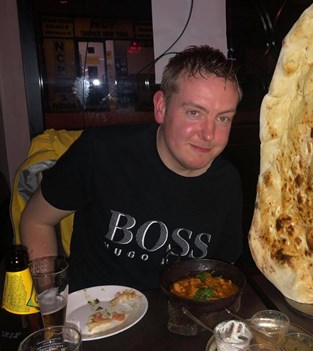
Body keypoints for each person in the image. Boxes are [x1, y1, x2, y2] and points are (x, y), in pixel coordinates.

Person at [20, 45, 244, 292]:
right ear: (161, 107)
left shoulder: (228, 182)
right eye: (194, 112)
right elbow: (35, 220)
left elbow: (221, 271)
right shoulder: (101, 151)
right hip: (94, 320)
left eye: (223, 118)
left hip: (180, 323)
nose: (209, 134)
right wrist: (51, 300)